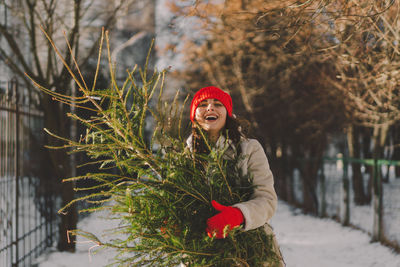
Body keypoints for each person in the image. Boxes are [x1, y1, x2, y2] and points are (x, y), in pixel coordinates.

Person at [187, 86, 285, 266]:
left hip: (252, 253)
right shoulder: (185, 156)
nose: (210, 108)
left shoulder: (249, 149)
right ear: (194, 115)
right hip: (202, 253)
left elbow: (267, 200)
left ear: (227, 113)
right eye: (203, 104)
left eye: (217, 104)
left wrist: (238, 215)